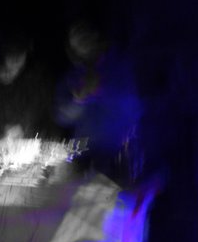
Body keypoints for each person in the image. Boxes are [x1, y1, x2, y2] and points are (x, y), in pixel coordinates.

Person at [55, 21, 142, 181]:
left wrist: (103, 92)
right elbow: (61, 117)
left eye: (84, 36)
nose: (80, 44)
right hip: (83, 155)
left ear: (97, 37)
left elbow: (134, 107)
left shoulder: (120, 68)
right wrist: (78, 101)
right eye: (75, 39)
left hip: (116, 153)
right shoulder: (72, 76)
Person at [0, 33, 57, 139]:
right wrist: (3, 129)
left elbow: (44, 115)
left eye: (20, 53)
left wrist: (25, 127)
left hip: (31, 142)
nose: (16, 59)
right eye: (11, 54)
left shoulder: (34, 81)